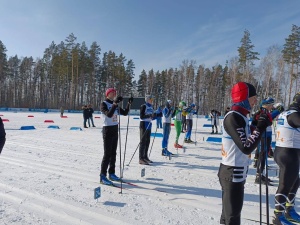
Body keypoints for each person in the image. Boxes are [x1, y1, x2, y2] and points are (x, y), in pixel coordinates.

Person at [218, 82, 271, 225]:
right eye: (253, 97)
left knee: (230, 215)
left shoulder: (241, 117)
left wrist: (258, 123)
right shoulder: (233, 117)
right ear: (244, 97)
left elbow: (249, 134)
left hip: (236, 172)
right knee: (232, 218)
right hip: (231, 172)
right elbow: (246, 147)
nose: (255, 101)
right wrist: (260, 127)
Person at [272, 92, 300, 224]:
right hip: (289, 152)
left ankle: (289, 210)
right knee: (285, 184)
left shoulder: (286, 112)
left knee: (294, 181)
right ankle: (278, 216)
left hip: (282, 150)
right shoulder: (294, 114)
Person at [99, 88, 133, 185]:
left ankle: (112, 173)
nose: (114, 94)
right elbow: (109, 115)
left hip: (115, 129)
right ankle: (102, 176)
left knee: (113, 153)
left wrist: (129, 104)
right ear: (108, 94)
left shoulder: (115, 104)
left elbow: (125, 113)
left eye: (115, 92)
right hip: (107, 130)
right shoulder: (104, 104)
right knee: (107, 154)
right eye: (112, 92)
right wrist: (115, 104)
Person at [251, 97, 283, 185]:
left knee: (265, 154)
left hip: (267, 135)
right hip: (262, 136)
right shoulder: (261, 112)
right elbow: (266, 119)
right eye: (271, 104)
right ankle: (258, 175)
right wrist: (278, 111)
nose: (272, 106)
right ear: (267, 105)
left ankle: (262, 174)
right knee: (262, 154)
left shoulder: (267, 112)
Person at [139, 95, 156, 165]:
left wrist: (156, 115)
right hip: (143, 124)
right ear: (147, 99)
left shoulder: (151, 107)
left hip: (149, 124)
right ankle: (141, 158)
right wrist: (149, 116)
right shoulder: (144, 106)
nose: (152, 101)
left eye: (152, 100)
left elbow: (152, 117)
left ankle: (145, 157)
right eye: (151, 99)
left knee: (147, 141)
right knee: (143, 142)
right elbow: (141, 116)